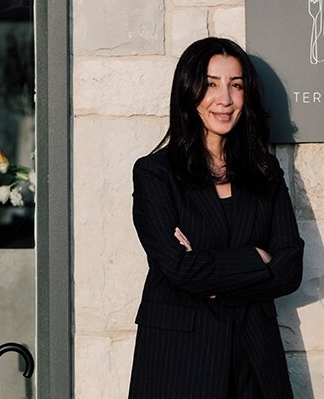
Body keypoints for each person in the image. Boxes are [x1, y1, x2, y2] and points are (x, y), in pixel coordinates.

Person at [128, 37, 304, 398]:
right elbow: (178, 269)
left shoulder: (263, 170)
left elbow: (290, 267)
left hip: (254, 357)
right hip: (180, 359)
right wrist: (256, 257)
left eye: (236, 85)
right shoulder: (155, 174)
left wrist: (210, 277)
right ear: (188, 91)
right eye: (211, 84)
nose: (225, 98)